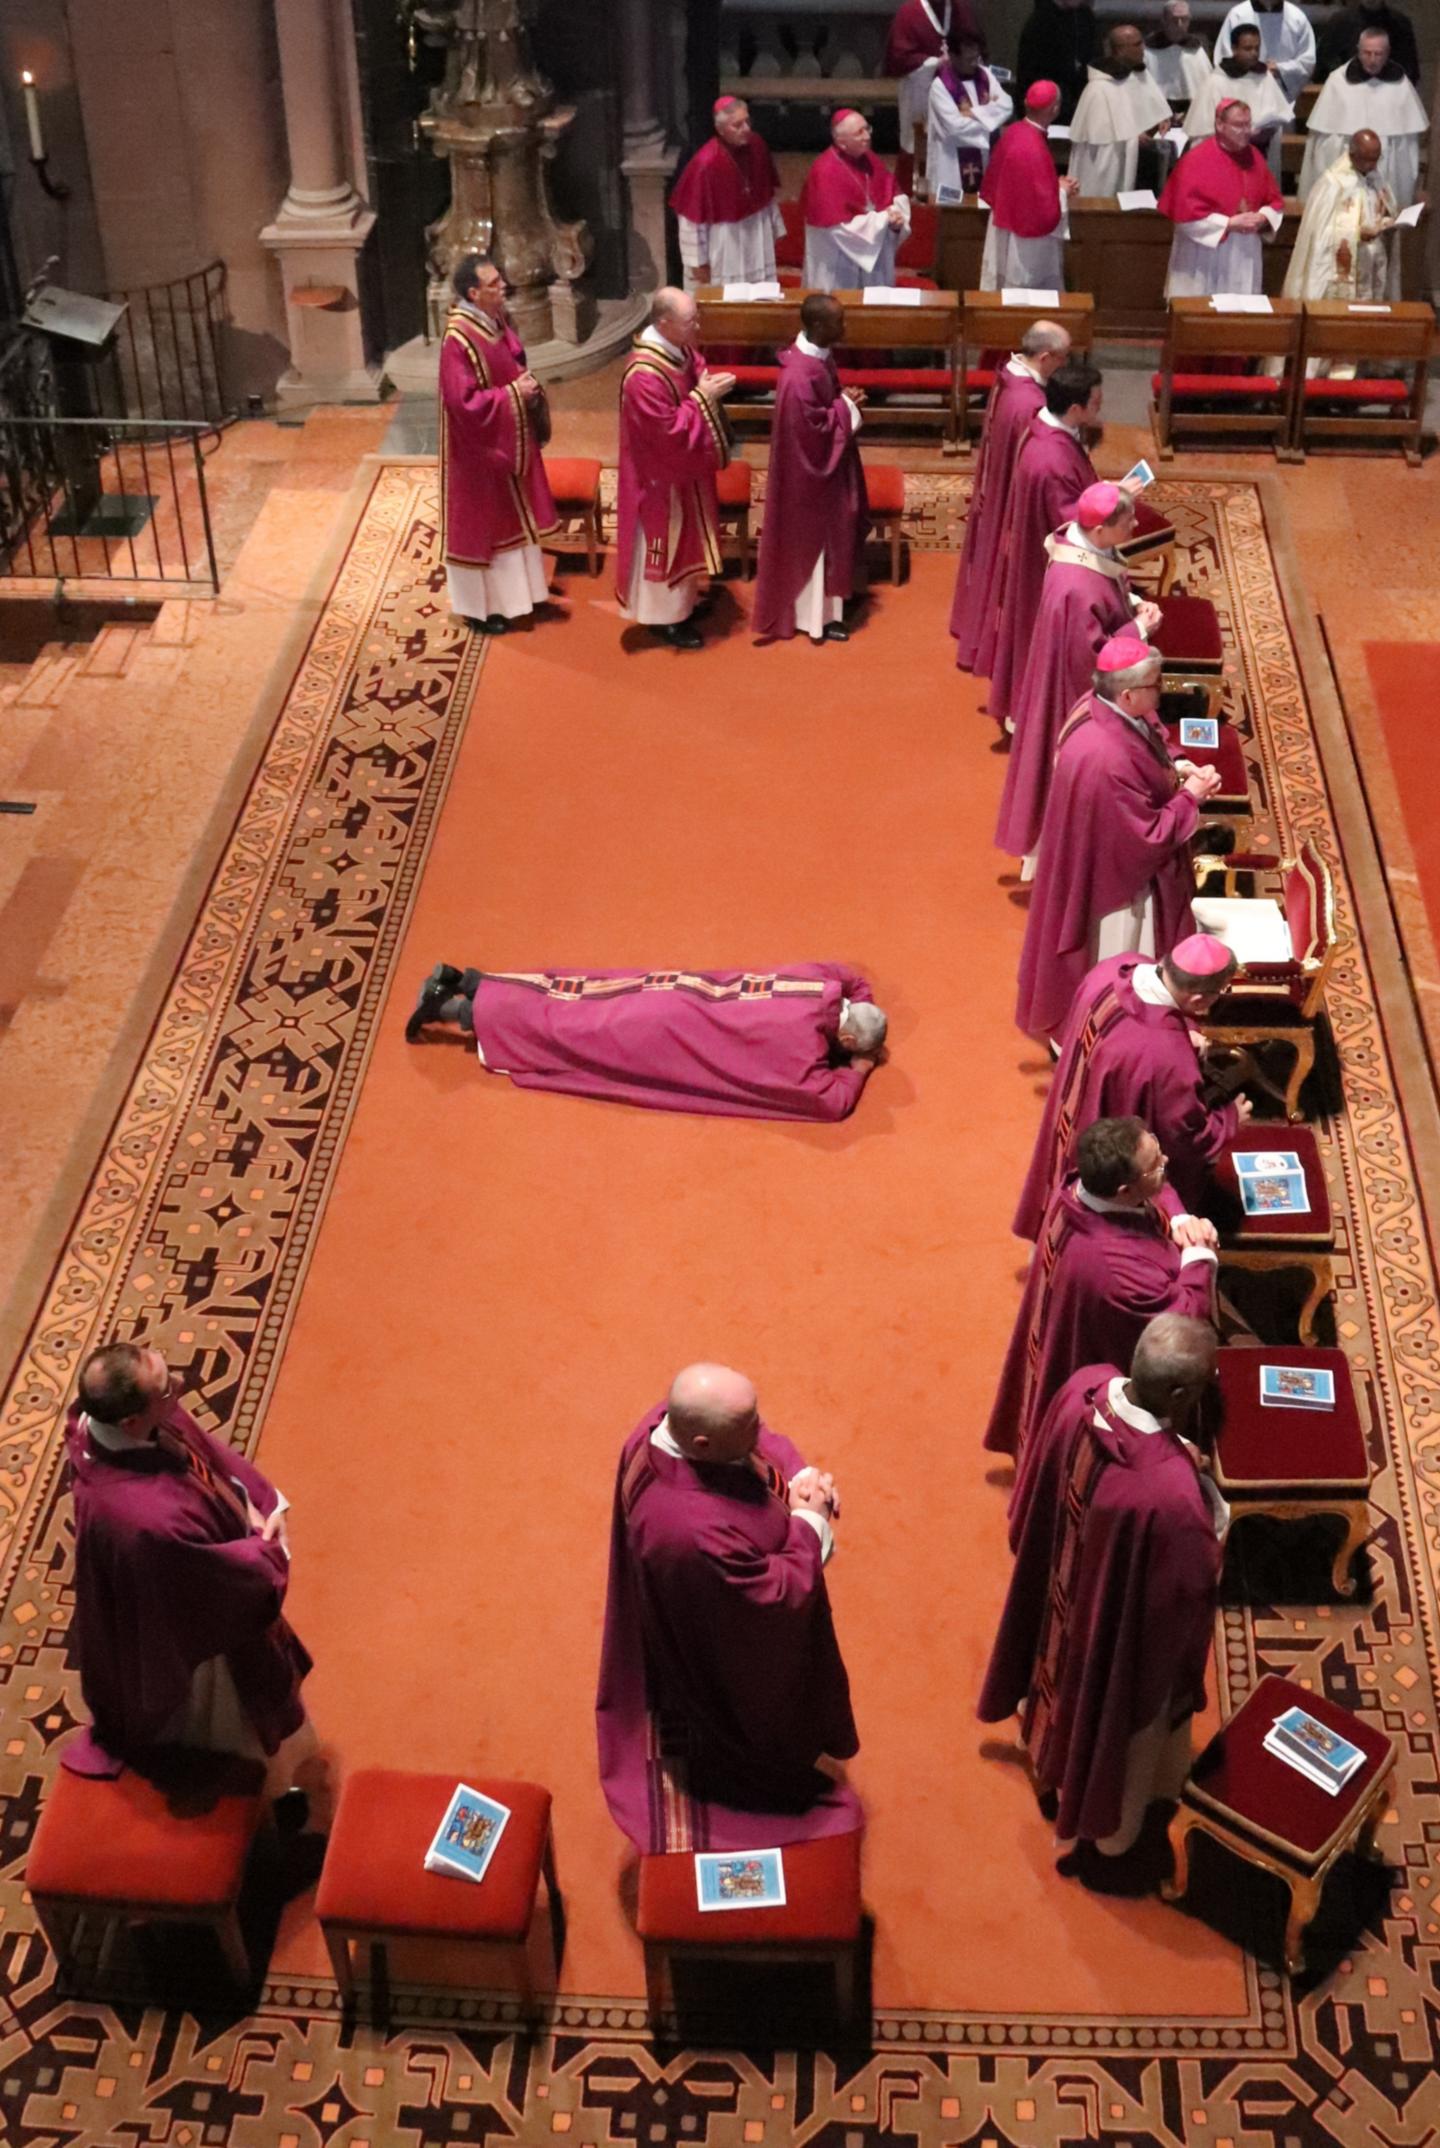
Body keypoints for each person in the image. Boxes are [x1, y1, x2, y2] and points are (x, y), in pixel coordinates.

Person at [979, 1315, 1225, 1866]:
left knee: (1056, 1661)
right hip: (1112, 1634)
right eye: (1208, 1381)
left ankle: (1042, 1751)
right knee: (1116, 1720)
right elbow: (1186, 1590)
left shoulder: (1082, 1389)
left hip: (1065, 1588)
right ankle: (1109, 1835)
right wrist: (1205, 1500)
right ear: (1181, 1392)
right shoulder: (1171, 1494)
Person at [596, 1362, 861, 1851]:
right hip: (717, 1633)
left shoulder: (662, 1422)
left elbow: (759, 1441)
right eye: (749, 1425)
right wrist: (810, 1522)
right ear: (701, 1447)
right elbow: (773, 1597)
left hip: (696, 1588)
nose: (761, 1430)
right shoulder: (689, 1532)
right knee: (749, 1705)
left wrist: (800, 1472)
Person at [63, 1341, 323, 1816]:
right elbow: (210, 1584)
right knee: (232, 1728)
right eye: (167, 1389)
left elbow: (204, 1458)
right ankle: (259, 1818)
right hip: (193, 1635)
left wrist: (252, 1502)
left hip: (182, 1586)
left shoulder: (117, 1427)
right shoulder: (140, 1519)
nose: (180, 1389)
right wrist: (266, 1551)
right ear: (130, 1422)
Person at [1015, 637, 1221, 1040]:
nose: (1161, 692)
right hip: (1116, 882)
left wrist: (1176, 764)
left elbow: (1148, 730)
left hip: (1096, 850)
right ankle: (1111, 1031)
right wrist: (1190, 798)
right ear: (1127, 693)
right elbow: (1147, 836)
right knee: (1119, 959)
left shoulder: (1102, 705)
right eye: (1155, 686)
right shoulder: (1106, 759)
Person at [984, 1119, 1218, 1460]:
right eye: (1156, 1164)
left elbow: (1156, 1190)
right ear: (1124, 1191)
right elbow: (1179, 1320)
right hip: (1098, 1348)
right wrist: (1200, 1253)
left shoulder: (1082, 1190)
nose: (1165, 1161)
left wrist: (1180, 1219)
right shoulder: (1113, 1266)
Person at [404, 958, 888, 1122]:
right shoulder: (804, 1056)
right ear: (846, 1037)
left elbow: (852, 976)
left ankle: (468, 979)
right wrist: (861, 1064)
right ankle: (455, 1011)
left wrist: (862, 1010)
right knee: (566, 1034)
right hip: (662, 1036)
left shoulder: (817, 981)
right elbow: (831, 1103)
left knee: (576, 992)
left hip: (671, 990)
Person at [1014, 933, 1252, 1239]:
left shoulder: (1115, 967)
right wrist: (1229, 1119)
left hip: (1077, 1102)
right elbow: (1183, 1136)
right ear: (1198, 999)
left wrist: (1182, 1029)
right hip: (1115, 1129)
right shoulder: (1167, 1056)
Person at [995, 483, 1161, 872]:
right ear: (1100, 529)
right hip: (1069, 694)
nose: (1136, 523)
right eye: (1128, 521)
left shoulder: (1083, 543)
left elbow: (1108, 590)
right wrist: (1138, 630)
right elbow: (1090, 659)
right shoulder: (1075, 585)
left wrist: (1131, 603)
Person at [983, 357, 1136, 716]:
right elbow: (1072, 520)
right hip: (1046, 563)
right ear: (1074, 408)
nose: (1101, 409)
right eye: (1095, 404)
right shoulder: (1051, 459)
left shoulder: (1047, 429)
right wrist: (1115, 501)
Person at [439, 253, 558, 637]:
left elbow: (511, 354)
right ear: (473, 293)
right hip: (478, 449)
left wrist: (523, 382)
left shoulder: (493, 319)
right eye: (493, 284)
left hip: (505, 440)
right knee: (483, 528)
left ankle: (518, 598)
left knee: (511, 519)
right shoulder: (458, 340)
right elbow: (464, 402)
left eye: (500, 279)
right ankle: (478, 608)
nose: (503, 285)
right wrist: (512, 394)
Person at [950, 318, 1073, 671]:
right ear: (1047, 357)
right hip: (1012, 500)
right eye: (1063, 357)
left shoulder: (1008, 373)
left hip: (997, 481)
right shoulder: (1029, 402)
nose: (1065, 365)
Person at [616, 288, 735, 652]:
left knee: (684, 538)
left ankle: (679, 608)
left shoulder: (675, 347)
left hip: (679, 469)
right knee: (664, 544)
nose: (696, 326)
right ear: (664, 323)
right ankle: (663, 619)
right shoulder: (643, 375)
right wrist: (704, 397)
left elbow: (693, 365)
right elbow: (666, 431)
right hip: (658, 477)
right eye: (690, 321)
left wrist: (705, 383)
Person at [753, 294, 867, 645]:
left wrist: (841, 402)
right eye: (838, 323)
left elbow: (824, 411)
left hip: (827, 472)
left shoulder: (818, 358)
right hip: (808, 482)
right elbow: (813, 434)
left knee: (835, 535)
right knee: (816, 544)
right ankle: (812, 617)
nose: (844, 328)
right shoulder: (799, 378)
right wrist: (847, 406)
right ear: (818, 326)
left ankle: (830, 607)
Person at [1157, 98, 1284, 299]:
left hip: (1244, 252)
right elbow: (1184, 217)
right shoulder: (1196, 160)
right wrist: (1228, 223)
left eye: (1248, 125)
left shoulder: (1255, 158)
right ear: (1219, 124)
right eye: (1238, 125)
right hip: (1205, 254)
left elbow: (1275, 202)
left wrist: (1263, 218)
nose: (1245, 131)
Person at [1300, 28, 1428, 212]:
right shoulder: (1338, 81)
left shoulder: (1401, 84)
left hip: (1388, 171)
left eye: (1378, 54)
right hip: (1345, 168)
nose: (1373, 59)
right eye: (1367, 53)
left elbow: (1407, 150)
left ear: (1388, 53)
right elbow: (1321, 141)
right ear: (1358, 50)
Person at [1286, 129, 1402, 324]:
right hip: (1345, 262)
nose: (1373, 165)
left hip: (1373, 263)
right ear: (1352, 154)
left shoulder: (1376, 178)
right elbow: (1321, 234)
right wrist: (1357, 233)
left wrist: (1390, 221)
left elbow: (1386, 207)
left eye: (1376, 159)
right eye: (1367, 159)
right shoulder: (1332, 184)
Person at [670, 97, 785, 290]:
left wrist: (775, 226)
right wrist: (697, 261)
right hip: (723, 244)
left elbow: (767, 194)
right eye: (737, 125)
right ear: (721, 129)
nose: (746, 128)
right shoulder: (705, 163)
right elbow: (691, 218)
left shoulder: (757, 146)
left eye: (748, 121)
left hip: (756, 236)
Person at [978, 82, 1078, 289]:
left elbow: (1022, 183)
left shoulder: (1014, 132)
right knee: (1025, 290)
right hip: (1026, 243)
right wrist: (1062, 191)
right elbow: (1041, 208)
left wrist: (1053, 183)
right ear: (1055, 109)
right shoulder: (1033, 147)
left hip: (1005, 222)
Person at [801, 110, 912, 290]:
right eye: (859, 132)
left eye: (867, 129)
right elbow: (838, 229)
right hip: (837, 262)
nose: (867, 136)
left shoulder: (871, 160)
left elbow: (894, 198)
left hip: (873, 259)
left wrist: (896, 221)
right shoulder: (825, 171)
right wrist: (883, 220)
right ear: (841, 142)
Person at [885, 0, 985, 193]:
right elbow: (900, 57)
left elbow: (976, 45)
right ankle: (913, 199)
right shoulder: (910, 12)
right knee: (917, 146)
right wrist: (936, 63)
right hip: (920, 92)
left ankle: (957, 199)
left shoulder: (960, 8)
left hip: (957, 95)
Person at [1067, 25, 1173, 196]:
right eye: (1137, 44)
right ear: (1120, 49)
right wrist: (1133, 135)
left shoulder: (1138, 74)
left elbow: (1149, 109)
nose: (1143, 49)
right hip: (1108, 161)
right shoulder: (1099, 88)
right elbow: (1104, 135)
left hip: (1141, 161)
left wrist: (1161, 118)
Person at [1183, 26, 1294, 179]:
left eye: (1257, 48)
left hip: (1260, 152)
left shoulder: (1263, 77)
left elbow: (1279, 114)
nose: (1254, 53)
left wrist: (1267, 129)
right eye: (1248, 48)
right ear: (1234, 49)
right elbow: (1204, 134)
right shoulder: (1216, 81)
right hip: (1226, 160)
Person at [926, 29, 1013, 201]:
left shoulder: (985, 76)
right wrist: (991, 120)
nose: (975, 63)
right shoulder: (940, 86)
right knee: (953, 220)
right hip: (951, 166)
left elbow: (1007, 105)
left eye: (977, 57)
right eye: (969, 59)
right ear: (953, 56)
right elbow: (955, 128)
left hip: (984, 159)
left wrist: (972, 113)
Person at [1017, 0, 1099, 125]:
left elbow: (1095, 59)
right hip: (1049, 106)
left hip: (1081, 101)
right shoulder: (1039, 22)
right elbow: (1033, 75)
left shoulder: (1084, 16)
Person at [1215, 0, 1316, 100]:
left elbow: (1307, 62)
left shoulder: (1297, 18)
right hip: (1243, 96)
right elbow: (1224, 58)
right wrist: (1251, 73)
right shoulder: (1238, 15)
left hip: (1281, 99)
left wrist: (1280, 69)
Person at [1316, 0, 1420, 87]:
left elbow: (1410, 70)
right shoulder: (1339, 22)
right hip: (1347, 93)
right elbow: (1324, 64)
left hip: (1390, 95)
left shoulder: (1401, 24)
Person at [1145, 2, 1211, 111]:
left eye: (1184, 19)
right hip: (1156, 111)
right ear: (1164, 21)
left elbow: (1206, 88)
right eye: (1174, 20)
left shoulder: (1196, 50)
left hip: (1191, 111)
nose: (1180, 24)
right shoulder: (1149, 50)